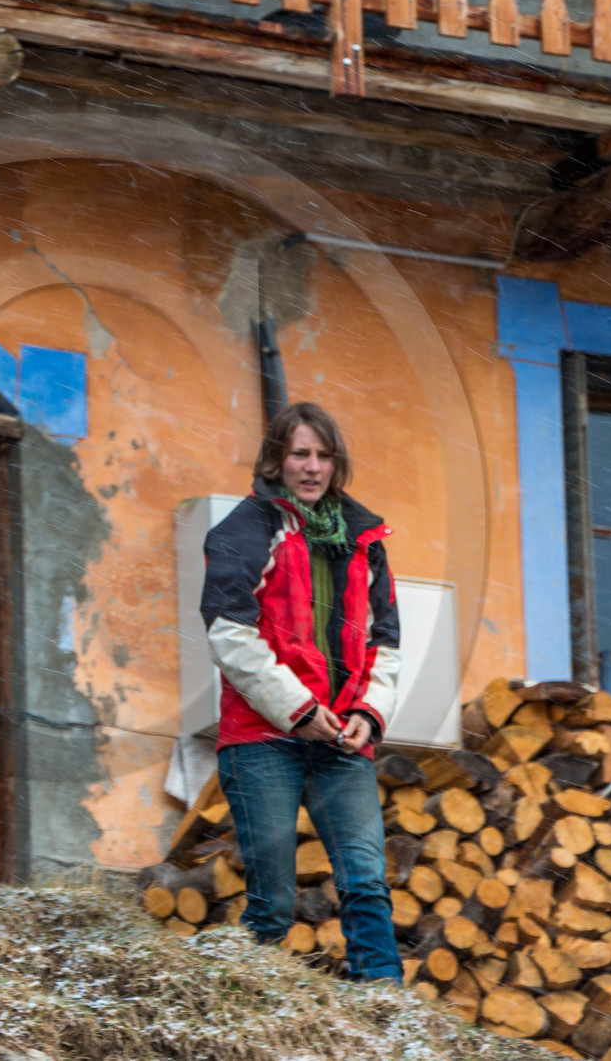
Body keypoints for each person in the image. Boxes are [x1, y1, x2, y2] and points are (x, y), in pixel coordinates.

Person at [200, 401, 403, 981]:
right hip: (263, 738)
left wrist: (370, 711)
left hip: (343, 739)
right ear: (277, 461)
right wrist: (299, 710)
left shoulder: (366, 540)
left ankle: (389, 1010)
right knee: (273, 898)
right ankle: (249, 1006)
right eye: (300, 454)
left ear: (337, 465)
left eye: (323, 455)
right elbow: (228, 633)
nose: (312, 467)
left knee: (366, 881)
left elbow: (384, 642)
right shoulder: (243, 530)